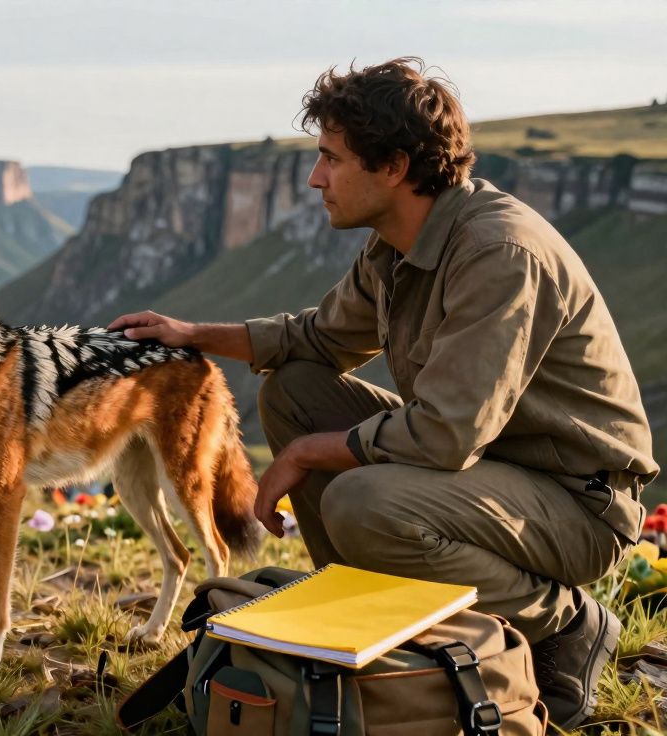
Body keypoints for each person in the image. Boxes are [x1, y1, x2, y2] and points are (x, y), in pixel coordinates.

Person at [108, 57, 658, 728]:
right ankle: (382, 639)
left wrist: (311, 452)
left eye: (331, 159)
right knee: (295, 392)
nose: (315, 178)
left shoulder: (497, 252)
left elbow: (446, 434)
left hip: (575, 503)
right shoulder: (396, 243)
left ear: (394, 167)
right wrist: (193, 333)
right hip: (488, 471)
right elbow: (319, 339)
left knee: (362, 500)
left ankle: (565, 623)